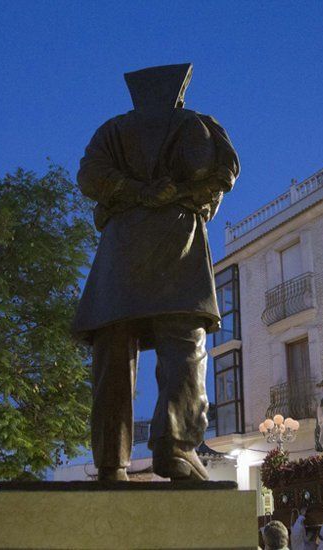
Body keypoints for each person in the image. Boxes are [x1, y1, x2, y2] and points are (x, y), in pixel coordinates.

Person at [73, 63, 240, 482]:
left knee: (113, 352)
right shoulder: (197, 124)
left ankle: (111, 462)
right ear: (178, 91)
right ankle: (176, 448)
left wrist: (131, 193)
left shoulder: (112, 130)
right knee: (184, 345)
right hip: (177, 243)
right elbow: (224, 173)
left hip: (121, 251)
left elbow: (90, 177)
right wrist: (181, 195)